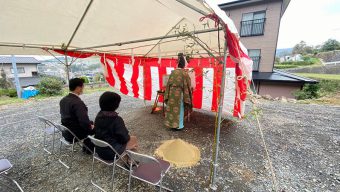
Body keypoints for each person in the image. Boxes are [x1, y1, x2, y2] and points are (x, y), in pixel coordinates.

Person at [94, 91, 138, 161]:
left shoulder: (98, 116)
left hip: (99, 150)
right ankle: (131, 162)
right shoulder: (116, 119)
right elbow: (124, 138)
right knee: (133, 139)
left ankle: (129, 158)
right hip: (111, 153)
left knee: (124, 139)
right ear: (115, 105)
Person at [60, 78, 94, 154]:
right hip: (74, 134)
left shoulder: (63, 100)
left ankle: (86, 147)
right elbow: (84, 122)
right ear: (78, 88)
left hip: (66, 131)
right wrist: (91, 127)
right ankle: (89, 149)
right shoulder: (78, 103)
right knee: (97, 127)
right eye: (82, 87)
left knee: (91, 123)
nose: (83, 89)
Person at [164, 53, 193, 129]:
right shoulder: (184, 73)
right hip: (180, 93)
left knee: (171, 109)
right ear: (183, 65)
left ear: (178, 64)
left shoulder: (173, 72)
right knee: (179, 109)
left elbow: (168, 83)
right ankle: (178, 126)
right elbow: (188, 84)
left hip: (171, 93)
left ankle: (171, 125)